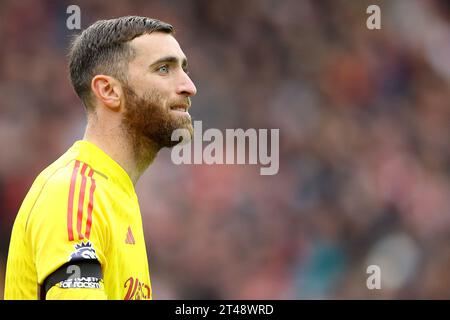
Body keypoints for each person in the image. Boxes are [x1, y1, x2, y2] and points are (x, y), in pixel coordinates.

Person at [4, 16, 197, 300]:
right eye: (164, 69)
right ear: (108, 90)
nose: (189, 86)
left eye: (184, 69)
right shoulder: (74, 193)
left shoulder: (117, 194)